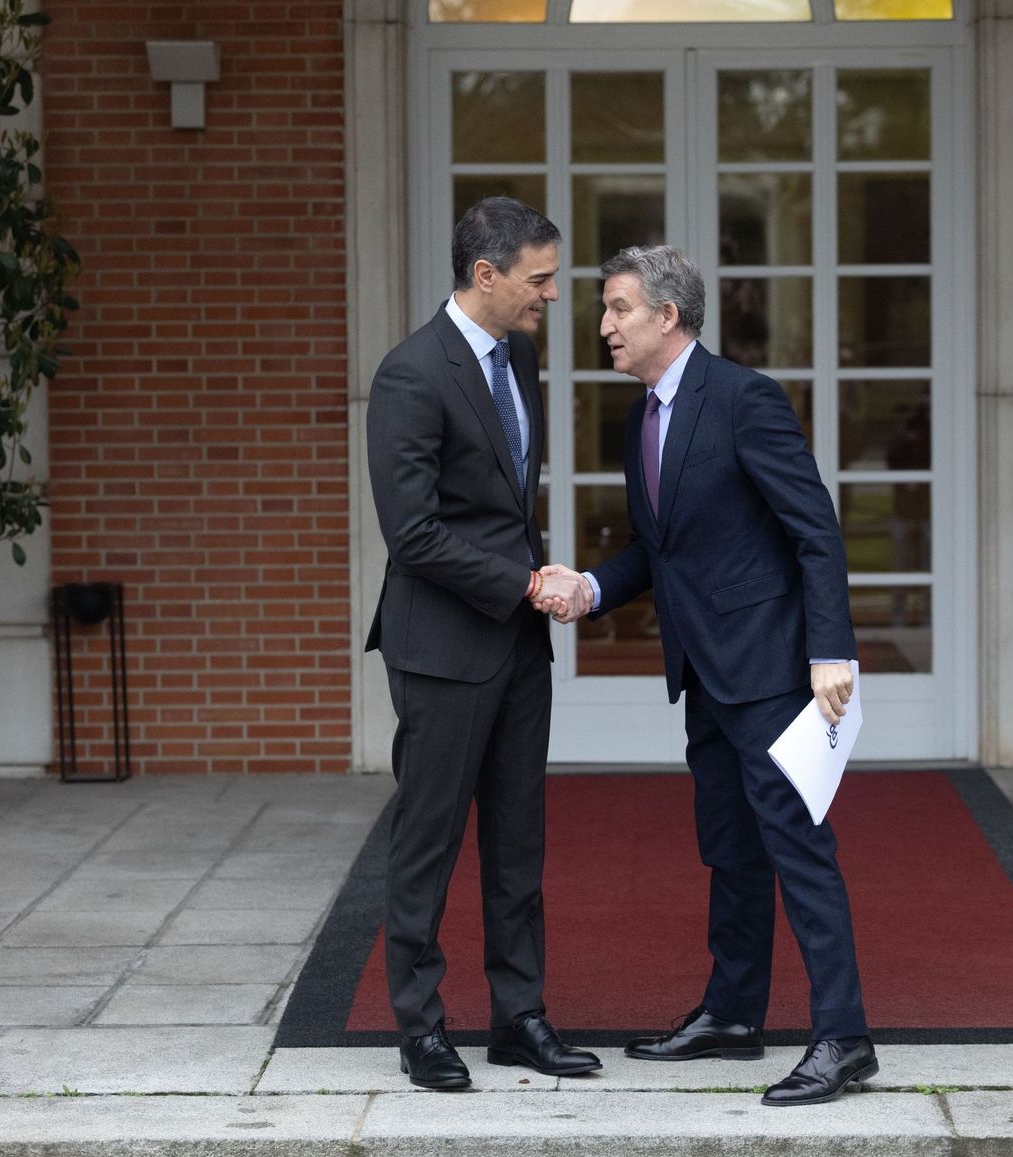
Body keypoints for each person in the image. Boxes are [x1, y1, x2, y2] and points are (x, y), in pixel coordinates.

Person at [540, 245, 876, 1106]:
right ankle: (732, 1015)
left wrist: (831, 651)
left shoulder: (743, 399)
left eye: (617, 308)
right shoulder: (641, 416)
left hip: (767, 668)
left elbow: (816, 529)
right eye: (604, 309)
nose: (604, 325)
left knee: (798, 850)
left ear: (667, 317)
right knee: (730, 851)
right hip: (703, 671)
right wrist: (590, 590)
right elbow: (659, 550)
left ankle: (844, 1038)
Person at [365, 197, 601, 1090]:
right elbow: (412, 533)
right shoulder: (410, 375)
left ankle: (519, 1017)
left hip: (518, 648)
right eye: (539, 281)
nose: (551, 296)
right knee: (427, 841)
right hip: (440, 648)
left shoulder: (523, 357)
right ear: (486, 275)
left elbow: (506, 506)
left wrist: (532, 583)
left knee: (517, 841)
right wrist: (525, 583)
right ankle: (421, 1028)